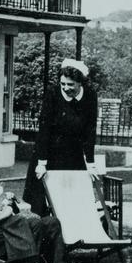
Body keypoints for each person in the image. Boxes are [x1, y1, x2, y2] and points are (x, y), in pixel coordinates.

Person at [23, 58, 99, 216]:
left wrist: (90, 164)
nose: (65, 88)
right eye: (63, 84)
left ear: (80, 83)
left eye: (70, 85)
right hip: (48, 151)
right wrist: (42, 162)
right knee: (43, 197)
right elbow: (44, 129)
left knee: (70, 196)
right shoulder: (53, 93)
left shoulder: (90, 96)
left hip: (72, 153)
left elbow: (90, 131)